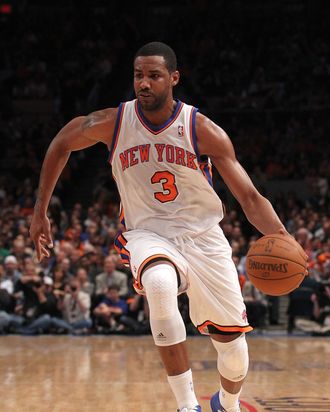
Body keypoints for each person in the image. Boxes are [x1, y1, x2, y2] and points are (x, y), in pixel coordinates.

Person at [29, 42, 307, 412]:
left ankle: (227, 402)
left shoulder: (202, 129)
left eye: (154, 76)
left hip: (204, 236)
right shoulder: (115, 122)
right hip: (148, 232)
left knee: (234, 353)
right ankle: (186, 406)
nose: (144, 83)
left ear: (173, 78)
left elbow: (251, 199)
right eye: (138, 75)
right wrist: (40, 209)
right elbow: (62, 142)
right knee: (159, 283)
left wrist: (283, 237)